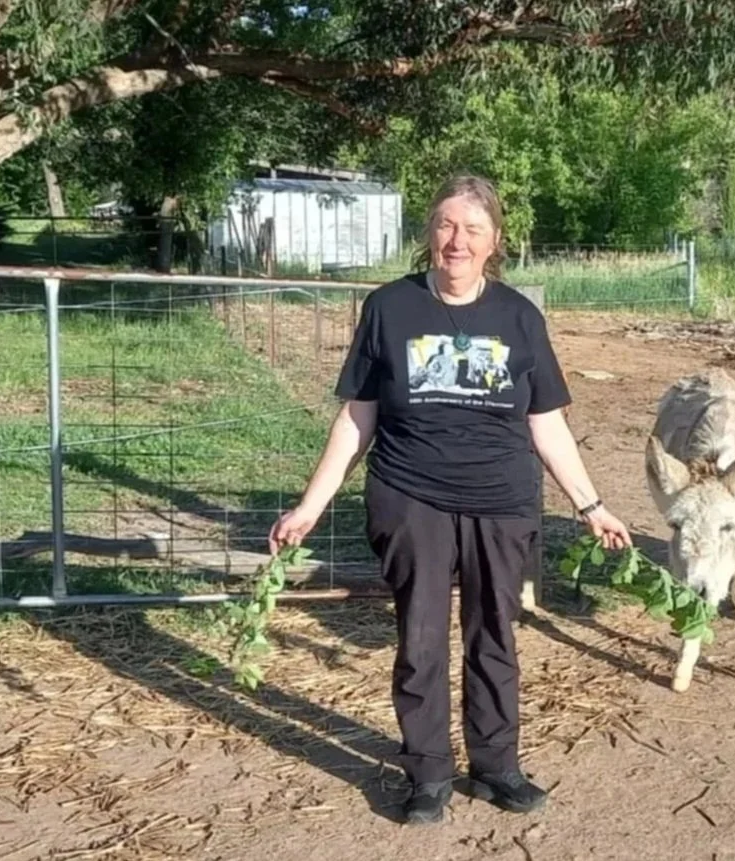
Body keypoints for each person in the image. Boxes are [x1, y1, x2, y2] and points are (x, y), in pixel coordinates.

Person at [267, 173, 632, 825]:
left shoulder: (520, 316)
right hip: (413, 494)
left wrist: (590, 503)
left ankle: (496, 766)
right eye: (443, 225)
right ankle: (428, 772)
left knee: (495, 632)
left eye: (471, 229)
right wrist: (310, 506)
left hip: (502, 498)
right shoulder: (389, 307)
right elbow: (358, 416)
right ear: (427, 234)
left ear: (494, 241)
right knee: (421, 635)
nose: (455, 240)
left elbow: (545, 421)